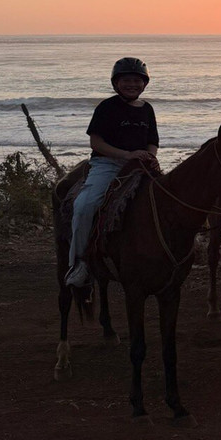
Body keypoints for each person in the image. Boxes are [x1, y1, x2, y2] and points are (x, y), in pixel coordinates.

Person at [65, 57, 158, 288]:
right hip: (107, 165)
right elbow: (95, 142)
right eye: (126, 80)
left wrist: (150, 157)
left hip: (139, 165)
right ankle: (80, 263)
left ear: (144, 84)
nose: (131, 85)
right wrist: (125, 155)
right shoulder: (107, 107)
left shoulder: (147, 109)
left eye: (137, 80)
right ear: (116, 83)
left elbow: (152, 141)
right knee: (85, 205)